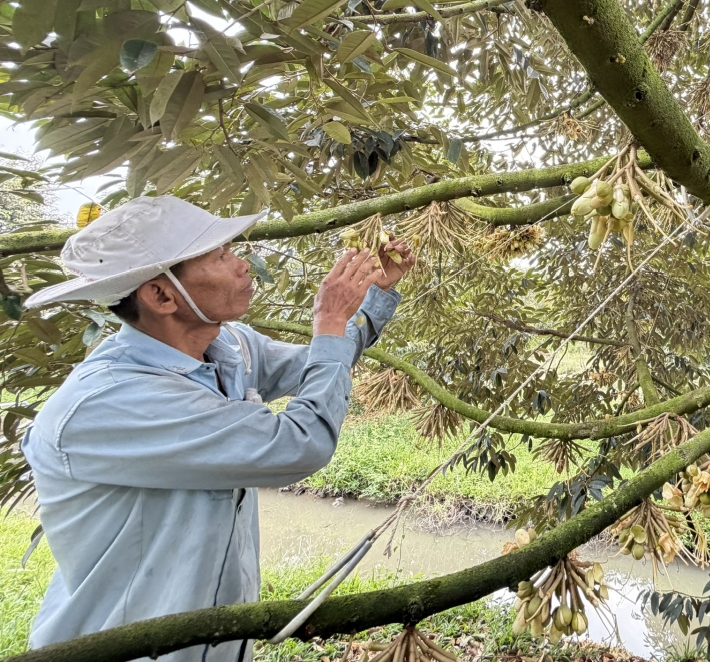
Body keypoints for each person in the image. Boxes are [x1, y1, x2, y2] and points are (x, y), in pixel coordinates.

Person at [19, 195, 415, 661]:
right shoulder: (113, 401)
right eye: (221, 256)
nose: (243, 264)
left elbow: (318, 363)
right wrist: (328, 320)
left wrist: (374, 297)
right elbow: (298, 444)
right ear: (162, 296)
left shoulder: (226, 345)